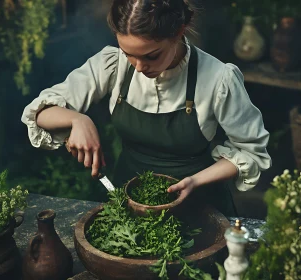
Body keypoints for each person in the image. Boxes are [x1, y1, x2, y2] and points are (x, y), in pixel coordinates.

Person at [21, 0, 271, 217]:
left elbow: (251, 153)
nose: (138, 67)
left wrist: (196, 181)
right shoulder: (112, 64)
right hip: (129, 203)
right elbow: (40, 112)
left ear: (179, 32)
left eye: (151, 56)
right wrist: (77, 120)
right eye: (129, 53)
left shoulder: (219, 79)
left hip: (199, 206)